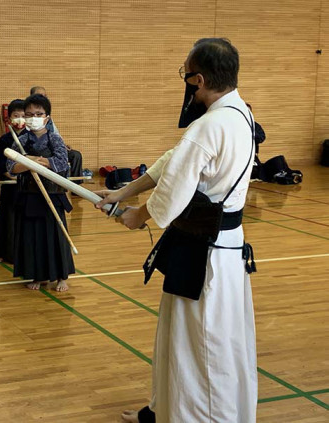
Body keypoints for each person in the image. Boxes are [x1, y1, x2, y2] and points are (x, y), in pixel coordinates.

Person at [97, 38, 257, 423]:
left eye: (186, 74)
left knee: (202, 347)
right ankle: (163, 409)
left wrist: (138, 216)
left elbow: (174, 192)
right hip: (224, 248)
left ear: (198, 79)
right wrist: (124, 191)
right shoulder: (239, 114)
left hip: (205, 255)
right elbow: (174, 161)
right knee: (192, 339)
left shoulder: (209, 126)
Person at [6, 94, 74, 292]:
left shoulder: (55, 139)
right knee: (32, 236)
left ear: (47, 117)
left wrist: (35, 161)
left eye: (38, 114)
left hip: (52, 194)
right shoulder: (21, 140)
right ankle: (38, 275)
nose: (33, 117)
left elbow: (62, 164)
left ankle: (61, 276)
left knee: (56, 235)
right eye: (29, 114)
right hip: (29, 195)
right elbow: (12, 167)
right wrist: (27, 164)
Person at [0, 99, 26, 263]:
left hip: (27, 186)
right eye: (16, 115)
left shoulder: (31, 137)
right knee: (8, 218)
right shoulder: (4, 140)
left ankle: (23, 253)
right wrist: (13, 176)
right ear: (9, 119)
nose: (20, 119)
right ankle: (4, 252)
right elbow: (2, 166)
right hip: (11, 187)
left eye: (23, 115)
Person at [30, 86, 83, 182]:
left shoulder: (47, 116)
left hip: (53, 147)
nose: (43, 98)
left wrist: (62, 144)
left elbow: (55, 133)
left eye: (45, 96)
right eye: (40, 95)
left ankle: (76, 187)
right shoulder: (30, 116)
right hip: (41, 150)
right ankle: (58, 182)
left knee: (75, 155)